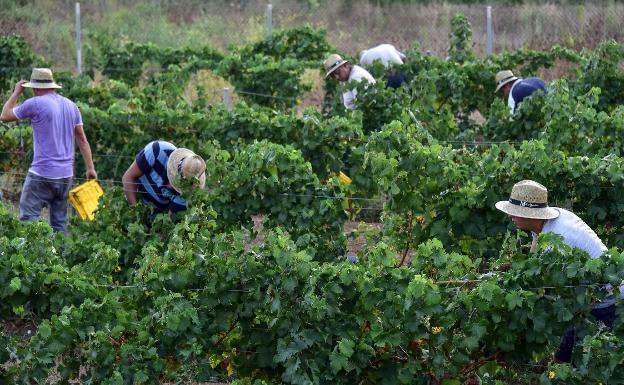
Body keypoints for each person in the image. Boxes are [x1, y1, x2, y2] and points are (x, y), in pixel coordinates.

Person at [495, 179, 617, 363]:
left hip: (605, 299)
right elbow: (534, 257)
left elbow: (547, 287)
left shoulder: (557, 241)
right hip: (586, 296)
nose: (511, 217)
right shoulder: (550, 220)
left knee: (586, 362)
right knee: (564, 358)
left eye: (515, 213)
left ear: (531, 215)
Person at [0, 68, 97, 233]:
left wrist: (16, 92)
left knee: (28, 219)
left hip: (42, 173)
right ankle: (60, 257)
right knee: (59, 224)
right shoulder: (71, 106)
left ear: (35, 87)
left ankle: (33, 257)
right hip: (66, 175)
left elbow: (4, 116)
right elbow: (82, 139)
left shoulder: (35, 103)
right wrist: (90, 168)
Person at [122, 140, 206, 216]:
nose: (170, 186)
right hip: (130, 200)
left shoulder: (187, 192)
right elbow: (128, 177)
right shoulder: (157, 151)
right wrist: (135, 212)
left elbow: (170, 220)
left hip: (154, 217)